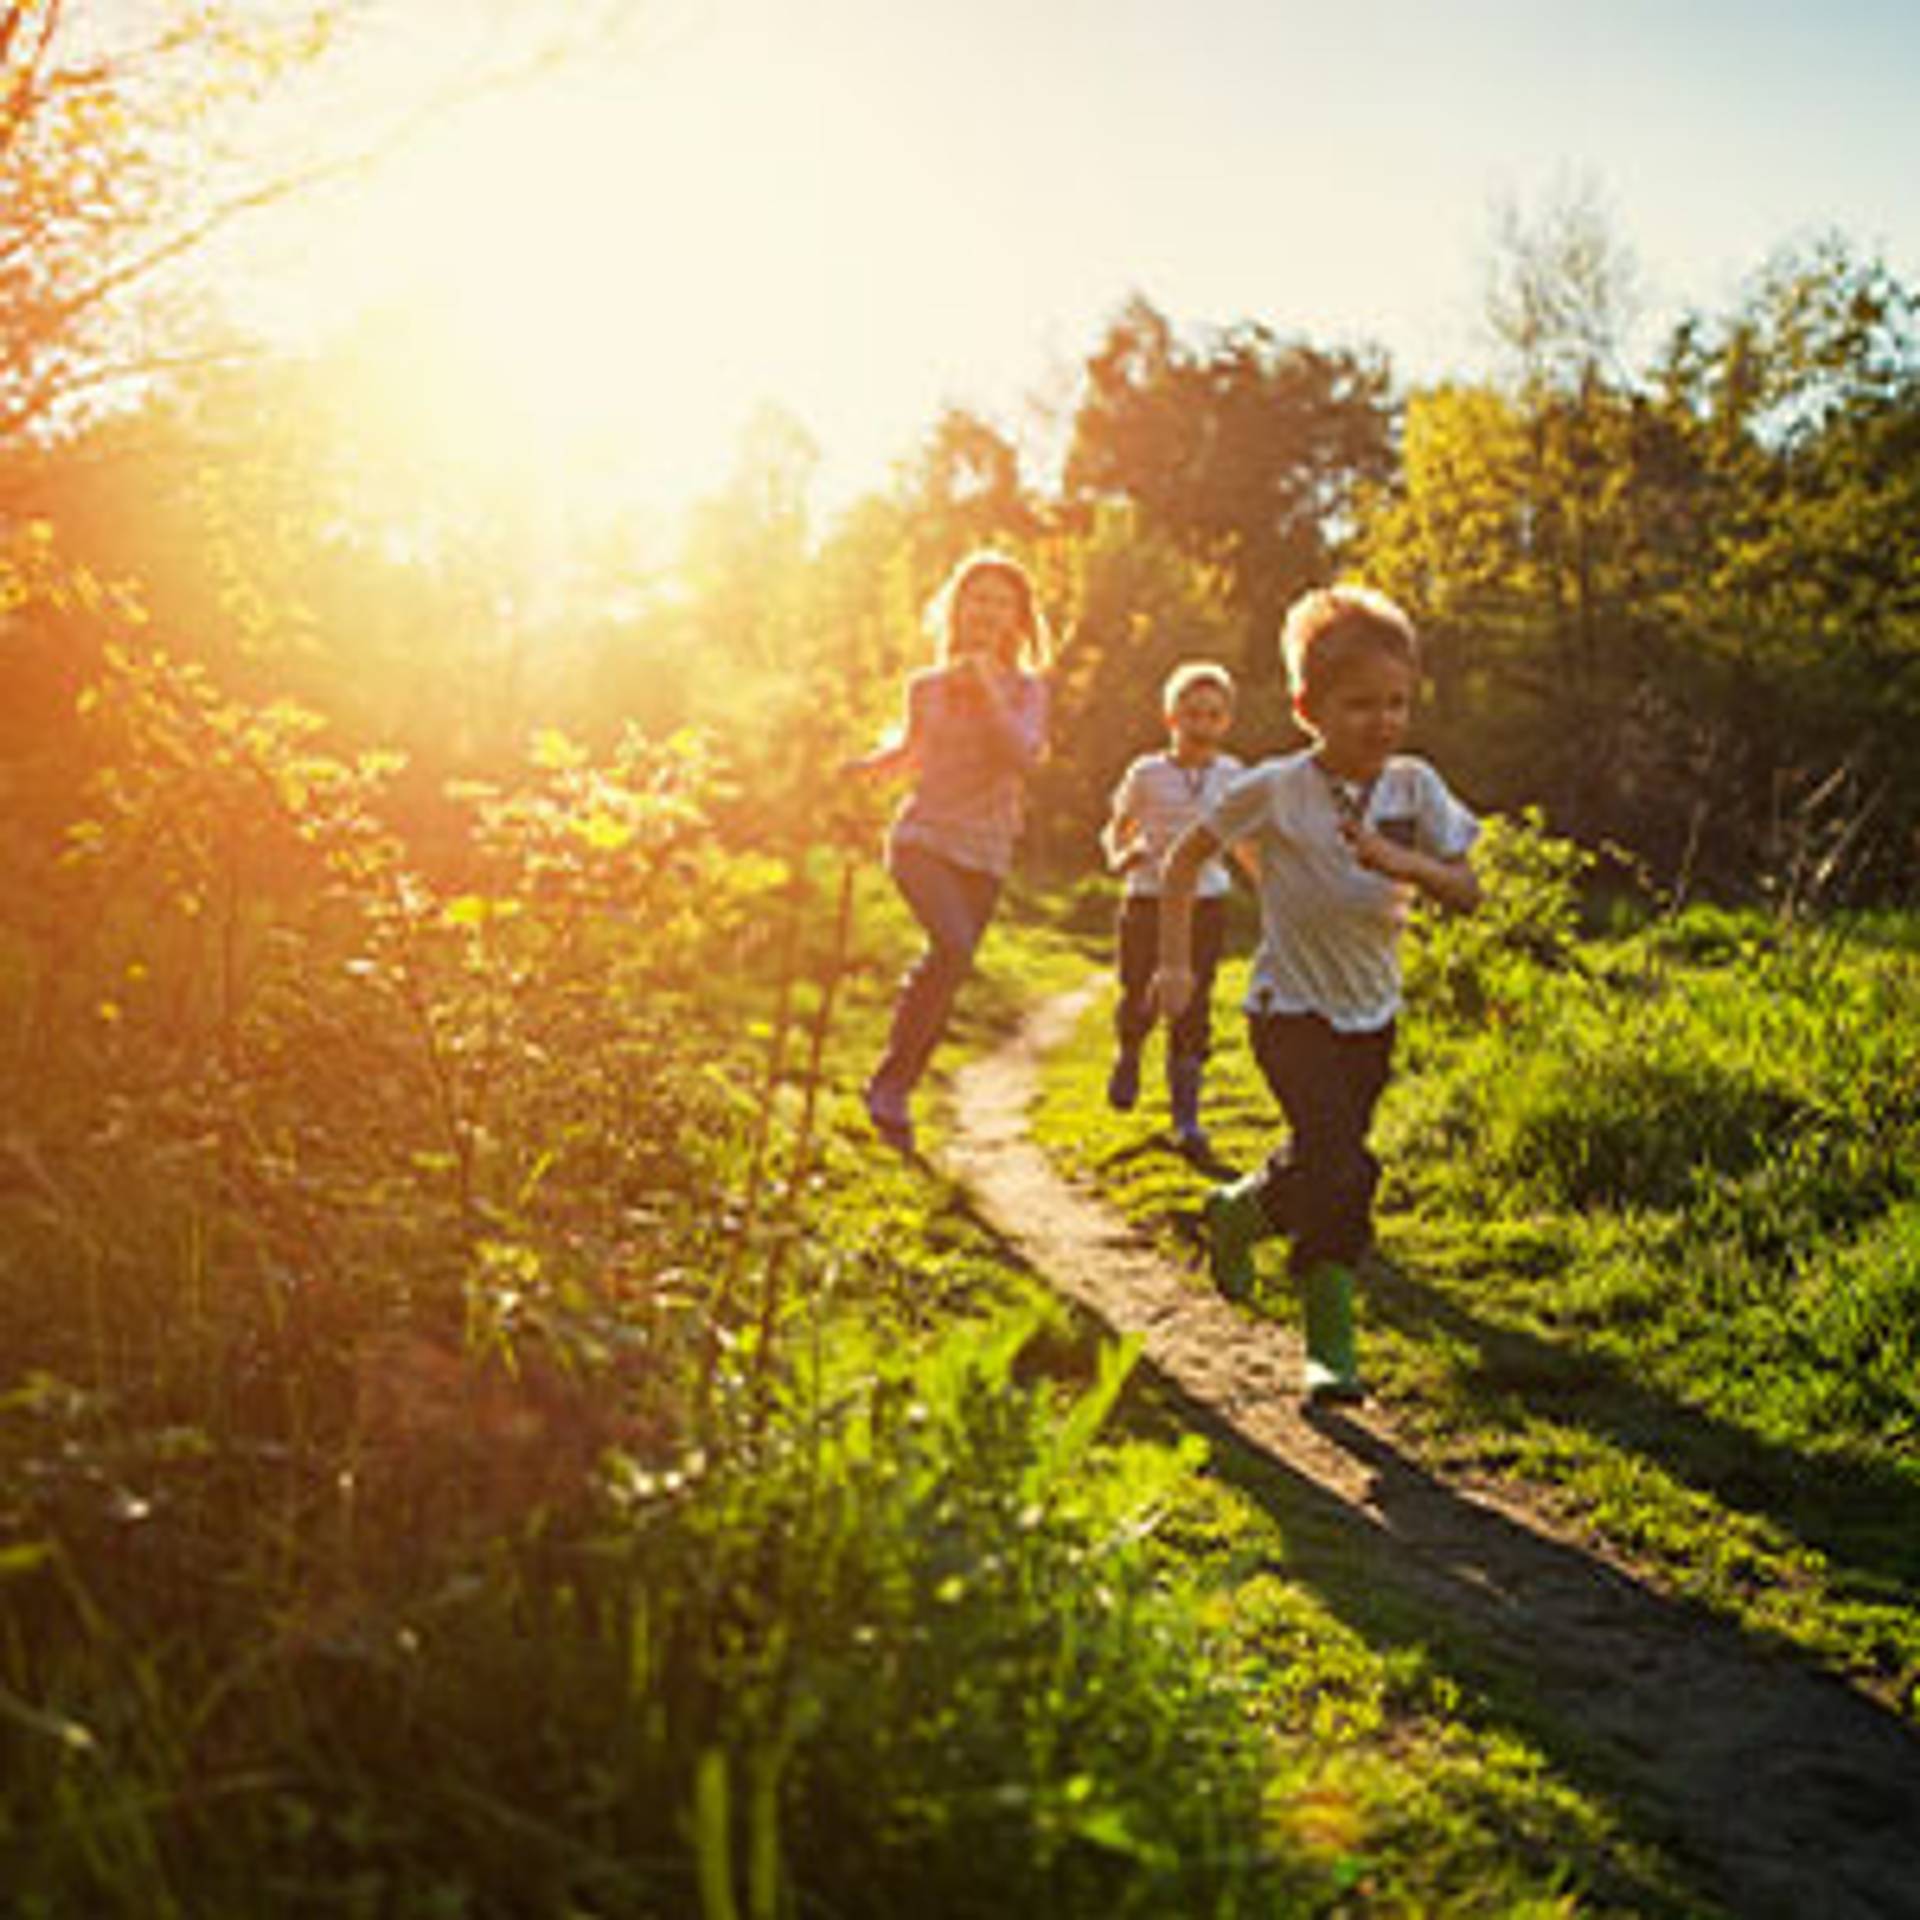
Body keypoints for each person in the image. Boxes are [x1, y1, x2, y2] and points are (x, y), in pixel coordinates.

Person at [1152, 584, 1480, 1402]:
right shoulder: (1275, 786)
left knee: (1324, 1161)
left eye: (1397, 702)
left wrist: (1407, 864)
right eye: (1360, 703)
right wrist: (1175, 963)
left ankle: (1241, 1211)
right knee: (1342, 1164)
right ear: (1309, 707)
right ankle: (1330, 1347)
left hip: (1375, 1015)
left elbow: (1469, 890)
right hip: (1288, 1009)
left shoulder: (1416, 788)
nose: (1384, 721)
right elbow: (1184, 860)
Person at [844, 551, 1051, 1155]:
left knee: (948, 964)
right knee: (954, 946)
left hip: (987, 849)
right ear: (957, 609)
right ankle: (890, 1087)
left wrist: (989, 689)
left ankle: (895, 1086)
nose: (986, 609)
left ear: (1017, 617)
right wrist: (863, 767)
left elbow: (1026, 757)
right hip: (923, 838)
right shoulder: (926, 687)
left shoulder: (1028, 690)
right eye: (976, 597)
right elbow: (912, 753)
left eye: (1000, 600)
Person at [1100, 660, 1249, 1158]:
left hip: (1206, 902)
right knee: (1137, 989)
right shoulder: (1146, 773)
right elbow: (1117, 827)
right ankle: (1129, 1050)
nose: (1202, 725)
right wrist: (1123, 857)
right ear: (1171, 718)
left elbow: (1249, 839)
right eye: (1192, 714)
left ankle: (1186, 1120)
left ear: (1226, 721)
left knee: (1194, 1002)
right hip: (1146, 897)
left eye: (1213, 715)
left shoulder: (1234, 775)